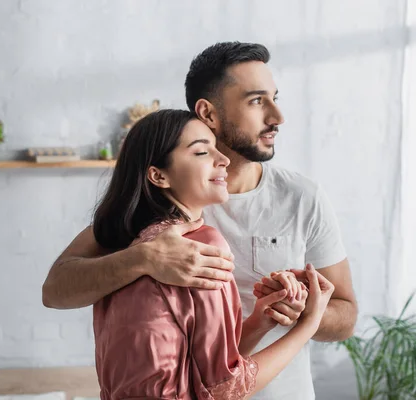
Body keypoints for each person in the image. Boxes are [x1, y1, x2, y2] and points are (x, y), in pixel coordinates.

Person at [42, 42, 358, 399]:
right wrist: (144, 258)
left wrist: (298, 310)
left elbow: (345, 315)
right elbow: (55, 289)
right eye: (256, 101)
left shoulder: (302, 197)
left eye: (275, 97)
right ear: (208, 113)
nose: (277, 116)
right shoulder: (158, 207)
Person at [92, 108, 334, 399]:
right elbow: (224, 390)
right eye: (201, 153)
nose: (224, 160)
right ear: (158, 175)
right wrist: (308, 325)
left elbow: (194, 370)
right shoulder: (199, 245)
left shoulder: (126, 246)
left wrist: (259, 321)